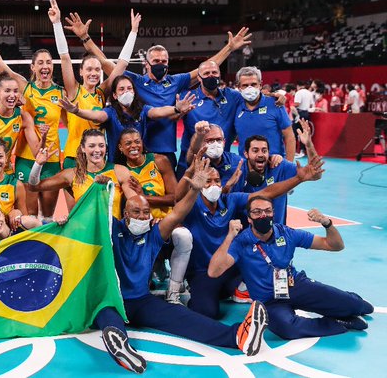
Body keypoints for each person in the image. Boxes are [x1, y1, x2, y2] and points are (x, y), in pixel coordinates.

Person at [0, 194, 147, 373]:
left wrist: (58, 223)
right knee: (82, 312)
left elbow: (49, 233)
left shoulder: (24, 224)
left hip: (51, 276)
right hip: (30, 295)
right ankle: (113, 331)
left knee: (88, 301)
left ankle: (117, 340)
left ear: (4, 215)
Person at [109, 161, 268, 358]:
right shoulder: (113, 229)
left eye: (146, 212)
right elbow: (94, 217)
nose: (142, 217)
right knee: (105, 314)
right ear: (125, 214)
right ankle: (121, 346)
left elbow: (177, 213)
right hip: (113, 300)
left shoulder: (154, 233)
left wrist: (195, 189)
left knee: (183, 318)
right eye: (136, 212)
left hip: (142, 301)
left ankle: (236, 336)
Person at [66, 11, 252, 169]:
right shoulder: (135, 81)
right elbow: (107, 64)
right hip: (138, 150)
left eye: (164, 61)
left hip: (166, 150)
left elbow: (206, 69)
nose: (161, 64)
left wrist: (229, 48)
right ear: (147, 64)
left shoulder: (177, 81)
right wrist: (85, 38)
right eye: (156, 61)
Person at [176, 153, 325, 319]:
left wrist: (299, 178)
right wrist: (191, 183)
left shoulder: (229, 200)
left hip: (231, 266)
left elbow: (266, 193)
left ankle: (239, 287)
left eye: (217, 181)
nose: (214, 185)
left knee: (255, 253)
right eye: (208, 181)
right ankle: (219, 290)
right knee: (207, 313)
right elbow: (177, 200)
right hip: (203, 271)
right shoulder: (191, 205)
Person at [208, 196, 374, 339]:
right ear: (249, 218)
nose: (263, 215)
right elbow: (214, 272)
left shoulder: (287, 233)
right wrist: (230, 236)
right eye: (257, 212)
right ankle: (337, 322)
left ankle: (352, 302)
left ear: (273, 213)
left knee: (361, 307)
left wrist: (327, 223)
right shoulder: (241, 242)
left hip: (295, 285)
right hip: (269, 301)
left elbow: (335, 245)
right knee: (287, 328)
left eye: (267, 211)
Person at [0, 14, 61, 221]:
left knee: (47, 217)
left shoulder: (62, 93)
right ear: (33, 67)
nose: (45, 66)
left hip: (51, 159)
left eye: (48, 62)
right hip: (26, 159)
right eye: (40, 63)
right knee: (28, 215)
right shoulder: (23, 86)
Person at [53, 1, 138, 170]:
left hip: (98, 158)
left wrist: (133, 32)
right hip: (74, 157)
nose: (94, 73)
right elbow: (65, 57)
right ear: (81, 72)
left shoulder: (101, 92)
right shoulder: (73, 90)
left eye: (97, 69)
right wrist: (56, 23)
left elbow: (121, 65)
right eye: (89, 69)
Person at [117, 128, 192, 303]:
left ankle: (174, 290)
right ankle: (155, 272)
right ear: (120, 148)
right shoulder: (119, 170)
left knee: (184, 236)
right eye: (128, 143)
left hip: (165, 221)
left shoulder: (159, 161)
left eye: (137, 141)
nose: (134, 146)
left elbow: (174, 198)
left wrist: (144, 197)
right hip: (138, 226)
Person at [59, 75, 196, 163]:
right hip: (117, 166)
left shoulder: (143, 110)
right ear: (114, 95)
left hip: (139, 163)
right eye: (122, 89)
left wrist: (176, 109)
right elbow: (97, 115)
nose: (126, 92)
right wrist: (77, 111)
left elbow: (157, 112)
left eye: (130, 88)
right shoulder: (110, 112)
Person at [27, 129, 137, 219]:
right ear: (83, 148)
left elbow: (135, 204)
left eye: (101, 145)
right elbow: (33, 187)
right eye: (92, 146)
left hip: (111, 235)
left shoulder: (120, 172)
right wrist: (38, 164)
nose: (97, 150)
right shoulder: (71, 175)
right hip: (84, 237)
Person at [176, 60, 243, 178]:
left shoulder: (233, 96)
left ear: (220, 75)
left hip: (221, 163)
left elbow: (256, 101)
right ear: (199, 78)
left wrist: (275, 97)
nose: (211, 76)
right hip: (191, 163)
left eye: (214, 72)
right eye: (206, 73)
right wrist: (178, 112)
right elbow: (171, 119)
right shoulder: (187, 97)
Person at [242, 122, 318, 224]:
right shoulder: (239, 172)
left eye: (264, 151)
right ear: (246, 154)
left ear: (269, 153)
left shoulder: (279, 166)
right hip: (247, 235)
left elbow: (315, 175)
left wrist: (309, 146)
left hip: (277, 235)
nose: (260, 154)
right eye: (255, 151)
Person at [0, 74, 45, 172]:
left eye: (15, 91)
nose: (12, 95)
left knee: (21, 187)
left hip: (5, 171)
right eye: (7, 91)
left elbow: (36, 153)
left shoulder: (23, 117)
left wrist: (44, 138)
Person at [234, 67, 295, 161]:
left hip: (274, 165)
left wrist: (289, 166)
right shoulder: (235, 106)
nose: (250, 88)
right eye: (245, 85)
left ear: (260, 85)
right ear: (239, 87)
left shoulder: (276, 104)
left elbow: (289, 136)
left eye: (253, 84)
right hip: (246, 168)